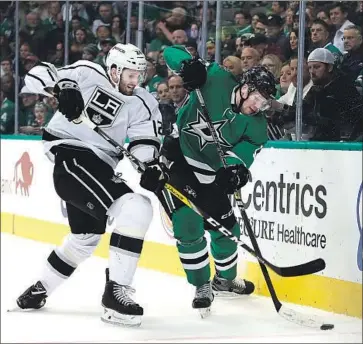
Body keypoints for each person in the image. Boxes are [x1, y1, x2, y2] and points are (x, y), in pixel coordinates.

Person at [15, 44, 162, 327]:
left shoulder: (144, 102)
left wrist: (149, 166)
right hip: (70, 156)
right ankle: (116, 295)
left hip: (100, 166)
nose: (136, 81)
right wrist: (65, 89)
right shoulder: (87, 72)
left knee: (84, 238)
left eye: (140, 75)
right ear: (115, 70)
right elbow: (37, 75)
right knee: (136, 209)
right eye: (131, 75)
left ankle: (40, 289)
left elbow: (145, 142)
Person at [139, 45, 277, 316]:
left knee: (227, 230)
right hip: (179, 158)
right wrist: (189, 68)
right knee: (187, 224)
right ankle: (202, 284)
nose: (256, 107)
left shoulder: (257, 125)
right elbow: (171, 53)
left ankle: (224, 279)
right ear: (245, 87)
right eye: (256, 99)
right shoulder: (215, 78)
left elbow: (244, 155)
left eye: (263, 104)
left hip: (210, 171)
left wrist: (236, 172)